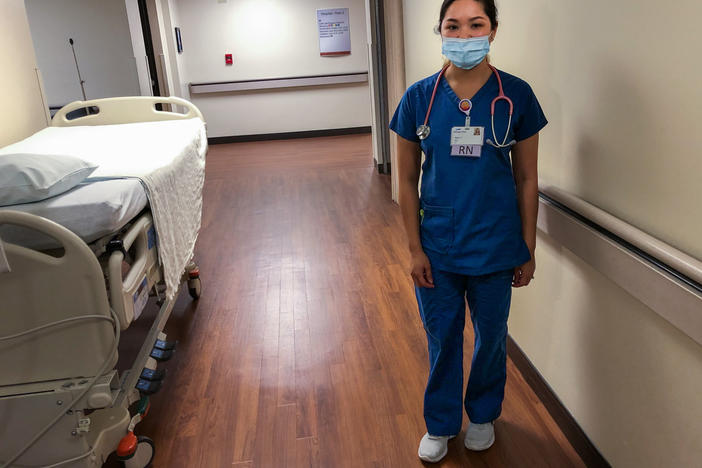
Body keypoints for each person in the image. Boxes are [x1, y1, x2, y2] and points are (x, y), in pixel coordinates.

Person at [389, 0, 547, 463]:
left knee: (492, 337)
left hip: (497, 245)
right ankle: (440, 423)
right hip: (437, 245)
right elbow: (404, 180)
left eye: (475, 25)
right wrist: (413, 249)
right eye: (452, 26)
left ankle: (482, 415)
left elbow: (527, 179)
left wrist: (528, 247)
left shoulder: (516, 95)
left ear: (493, 30)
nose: (463, 36)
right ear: (438, 30)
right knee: (442, 339)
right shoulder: (419, 98)